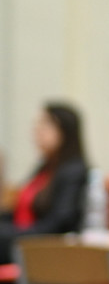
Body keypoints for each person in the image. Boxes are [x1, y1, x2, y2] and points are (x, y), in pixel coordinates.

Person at [0, 101, 89, 265]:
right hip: (26, 240)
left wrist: (11, 233)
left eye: (46, 124)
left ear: (65, 131)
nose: (37, 130)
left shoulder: (73, 171)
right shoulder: (45, 168)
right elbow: (20, 211)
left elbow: (59, 225)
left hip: (45, 250)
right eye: (37, 124)